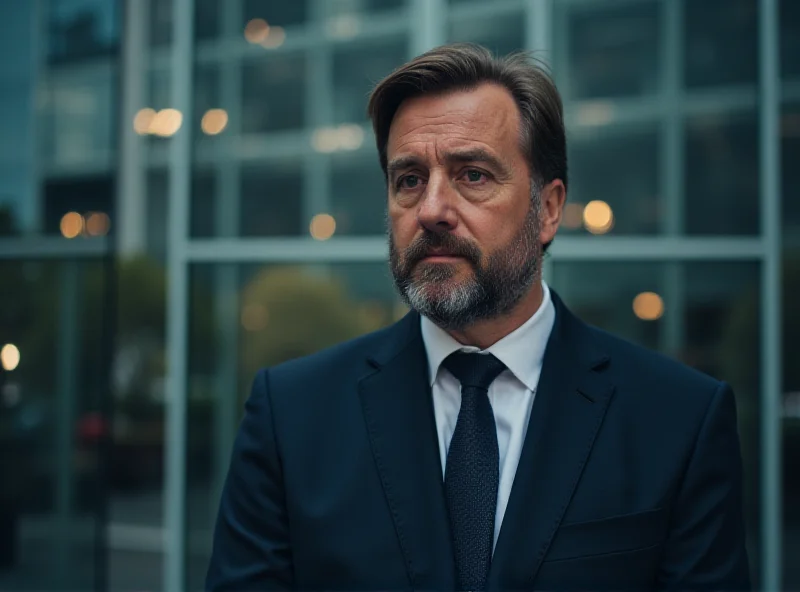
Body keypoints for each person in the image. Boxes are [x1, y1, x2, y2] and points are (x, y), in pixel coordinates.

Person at [206, 43, 751, 591]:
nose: (431, 210)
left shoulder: (677, 421)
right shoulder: (292, 416)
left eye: (472, 175)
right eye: (410, 179)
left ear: (549, 208)